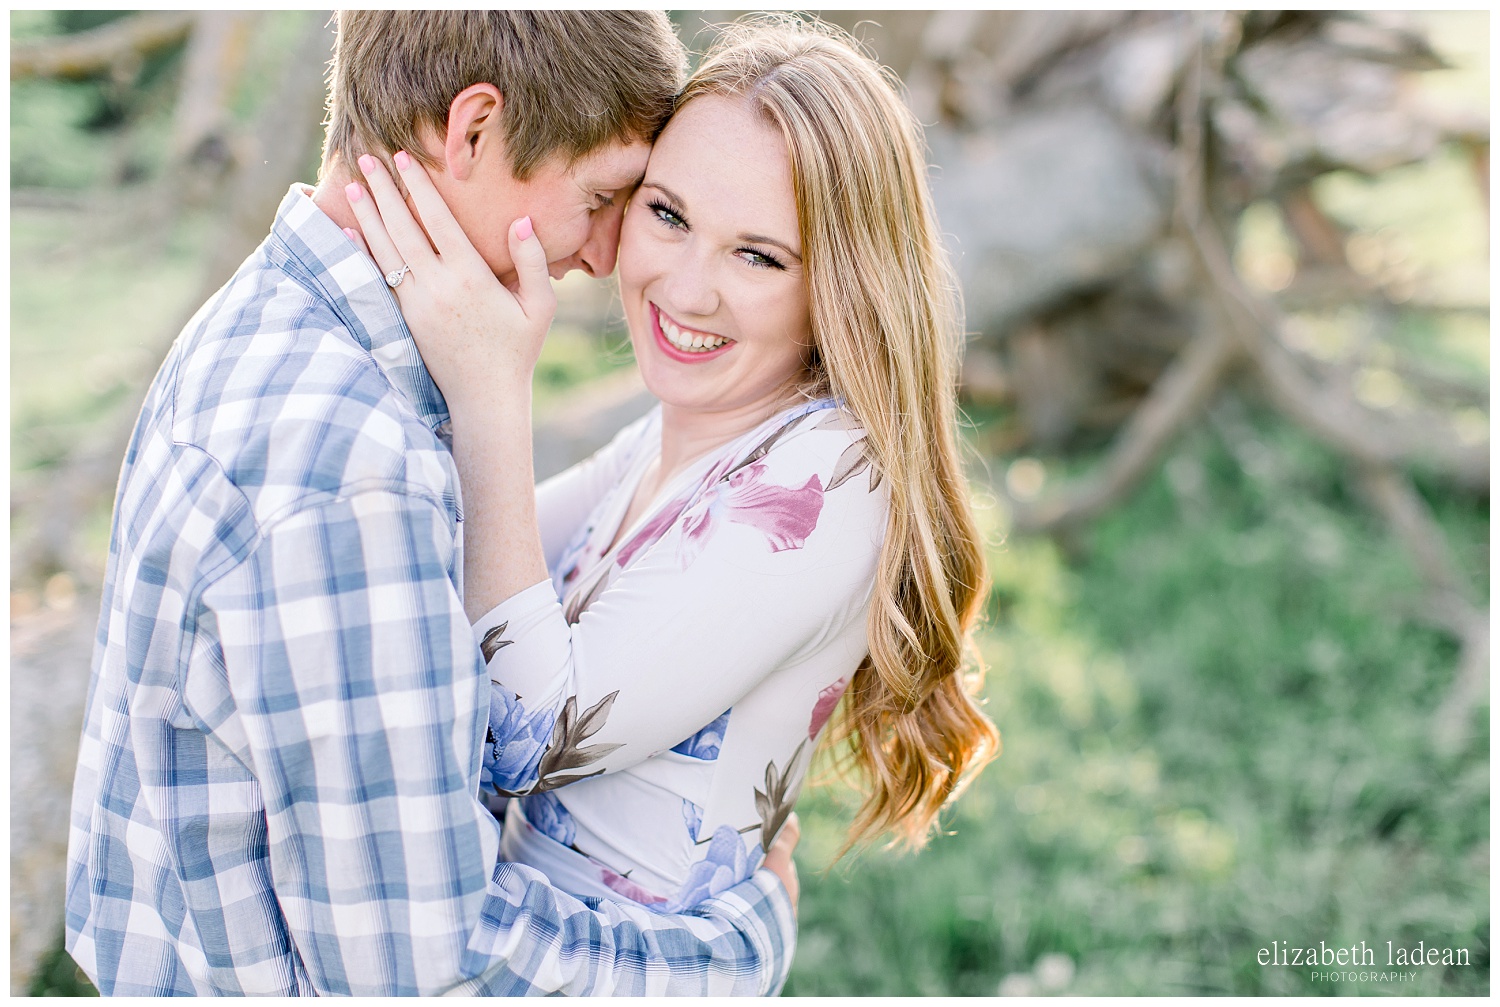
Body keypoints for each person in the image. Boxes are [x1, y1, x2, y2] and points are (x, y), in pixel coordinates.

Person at [63, 11, 799, 997]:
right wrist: (735, 941)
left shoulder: (270, 319)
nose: (605, 252)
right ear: (474, 131)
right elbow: (419, 970)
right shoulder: (351, 472)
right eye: (603, 194)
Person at [344, 15, 999, 917]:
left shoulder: (826, 478)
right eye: (667, 213)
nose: (686, 288)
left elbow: (526, 735)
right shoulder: (675, 436)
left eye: (759, 255)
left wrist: (494, 392)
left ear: (841, 285)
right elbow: (457, 558)